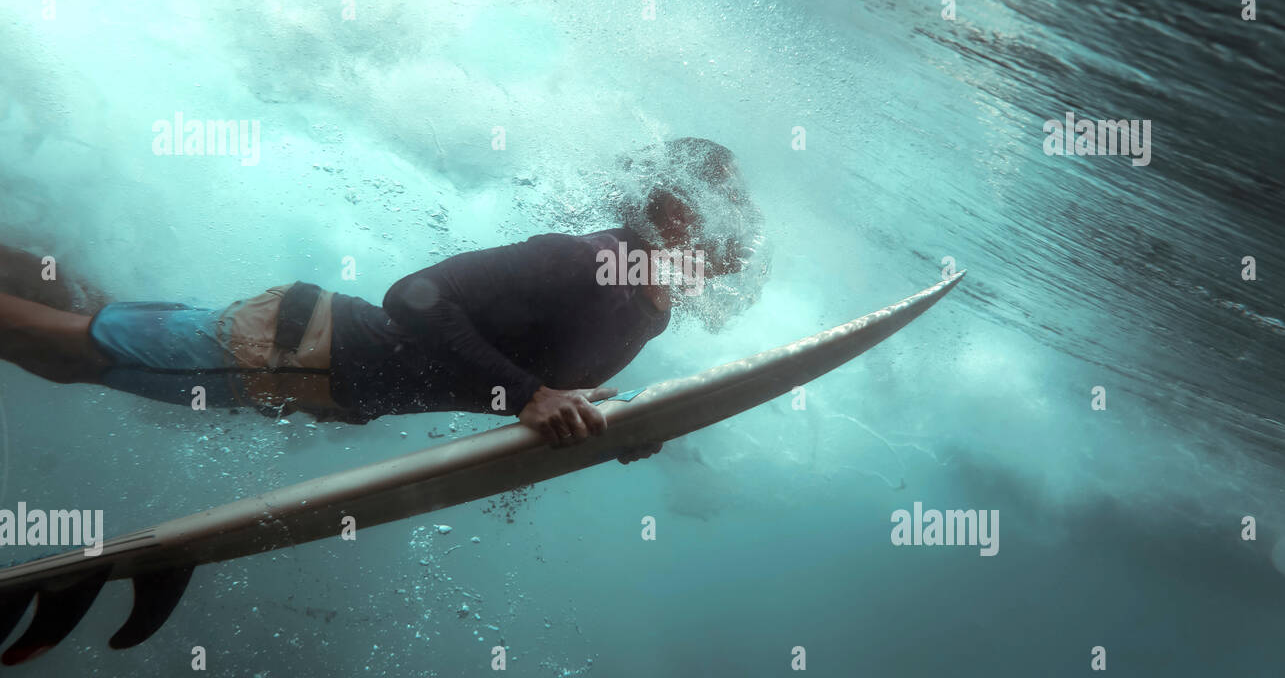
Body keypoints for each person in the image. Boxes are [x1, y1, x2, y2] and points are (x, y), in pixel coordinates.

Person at [0, 138, 766, 464]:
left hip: (308, 369)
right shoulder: (586, 260)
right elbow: (413, 299)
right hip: (290, 349)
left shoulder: (648, 308)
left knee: (81, 335)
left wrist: (613, 424)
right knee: (73, 351)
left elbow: (541, 379)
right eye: (731, 202)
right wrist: (533, 397)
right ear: (676, 213)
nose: (746, 226)